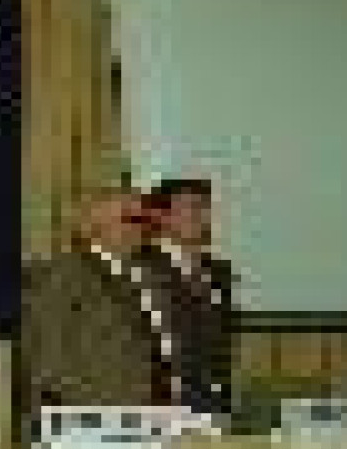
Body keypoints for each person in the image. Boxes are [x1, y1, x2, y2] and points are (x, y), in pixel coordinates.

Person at [20, 187, 168, 418]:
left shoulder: (148, 276)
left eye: (144, 219)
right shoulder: (62, 275)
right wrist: (100, 411)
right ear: (94, 226)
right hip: (93, 419)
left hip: (154, 416)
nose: (141, 228)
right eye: (130, 219)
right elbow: (46, 360)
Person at [139, 178, 235, 420]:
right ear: (162, 216)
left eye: (203, 207)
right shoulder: (142, 267)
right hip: (162, 402)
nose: (199, 216)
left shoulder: (218, 271)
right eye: (189, 208)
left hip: (213, 398)